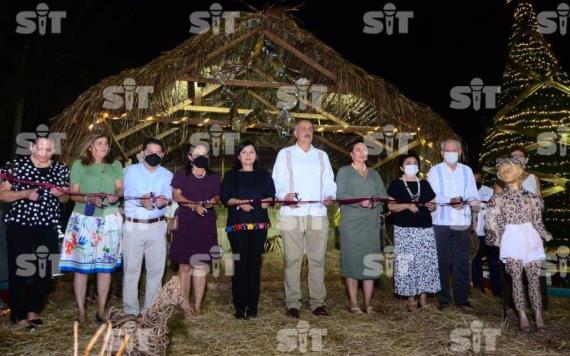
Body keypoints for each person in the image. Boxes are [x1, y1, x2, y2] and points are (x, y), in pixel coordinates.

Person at [2, 137, 70, 330]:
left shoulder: (61, 169)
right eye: (40, 149)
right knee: (19, 269)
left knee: (48, 268)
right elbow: (2, 193)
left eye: (49, 150)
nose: (44, 153)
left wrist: (61, 195)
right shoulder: (15, 166)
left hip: (48, 225)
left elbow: (66, 198)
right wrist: (23, 194)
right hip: (20, 224)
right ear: (32, 147)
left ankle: (33, 310)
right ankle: (18, 316)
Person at [272, 119, 336, 318]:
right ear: (295, 133)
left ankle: (318, 302)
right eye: (303, 128)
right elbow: (277, 181)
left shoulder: (321, 155)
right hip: (291, 214)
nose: (307, 131)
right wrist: (284, 196)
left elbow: (329, 181)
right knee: (292, 259)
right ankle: (293, 303)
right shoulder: (285, 154)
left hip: (317, 213)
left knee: (317, 259)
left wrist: (330, 196)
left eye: (310, 129)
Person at [58, 134, 124, 324]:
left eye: (106, 144)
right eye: (99, 143)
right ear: (90, 147)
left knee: (105, 267)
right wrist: (89, 199)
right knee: (81, 267)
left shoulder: (116, 165)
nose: (104, 146)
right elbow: (73, 194)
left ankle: (101, 310)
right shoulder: (79, 165)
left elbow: (120, 188)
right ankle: (81, 311)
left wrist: (116, 195)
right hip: (84, 219)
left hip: (109, 219)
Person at [486, 156, 551, 331]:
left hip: (531, 237)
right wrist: (496, 239)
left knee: (534, 280)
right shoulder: (497, 199)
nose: (505, 172)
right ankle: (522, 315)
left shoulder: (533, 199)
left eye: (509, 169)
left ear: (519, 171)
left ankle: (538, 314)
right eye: (502, 170)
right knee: (515, 279)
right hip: (511, 238)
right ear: (499, 175)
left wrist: (545, 235)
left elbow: (537, 221)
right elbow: (493, 221)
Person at [220, 141, 275, 319]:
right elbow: (225, 198)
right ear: (238, 156)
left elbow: (271, 196)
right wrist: (239, 203)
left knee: (254, 265)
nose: (248, 155)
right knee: (239, 264)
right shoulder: (231, 175)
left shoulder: (264, 175)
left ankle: (252, 308)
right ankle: (239, 307)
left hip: (259, 225)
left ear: (256, 155)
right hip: (237, 225)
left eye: (251, 152)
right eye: (244, 152)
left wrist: (268, 201)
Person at [427, 139, 480, 311]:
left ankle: (462, 299)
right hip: (440, 221)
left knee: (461, 261)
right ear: (441, 152)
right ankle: (443, 299)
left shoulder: (467, 171)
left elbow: (472, 192)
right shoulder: (434, 171)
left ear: (459, 151)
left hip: (461, 222)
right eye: (447, 150)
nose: (451, 153)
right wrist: (450, 201)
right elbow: (433, 194)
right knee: (442, 261)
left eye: (454, 150)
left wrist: (469, 201)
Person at [122, 138, 173, 317]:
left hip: (158, 227)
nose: (154, 155)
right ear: (142, 153)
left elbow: (168, 193)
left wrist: (162, 200)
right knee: (131, 269)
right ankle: (130, 311)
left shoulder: (168, 175)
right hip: (133, 226)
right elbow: (129, 191)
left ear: (162, 155)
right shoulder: (130, 170)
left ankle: (150, 310)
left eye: (158, 152)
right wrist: (142, 200)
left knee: (156, 270)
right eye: (150, 152)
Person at [169, 143, 220, 317]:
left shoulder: (213, 176)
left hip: (206, 223)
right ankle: (185, 305)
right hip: (186, 222)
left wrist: (212, 200)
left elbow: (217, 195)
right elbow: (176, 195)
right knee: (185, 266)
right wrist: (194, 206)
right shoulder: (181, 174)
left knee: (200, 265)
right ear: (190, 157)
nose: (201, 157)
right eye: (197, 154)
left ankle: (198, 305)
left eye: (204, 154)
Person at [336, 141, 386, 314]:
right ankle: (354, 304)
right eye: (358, 150)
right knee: (352, 261)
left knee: (370, 261)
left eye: (364, 150)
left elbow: (383, 195)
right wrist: (359, 201)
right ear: (351, 154)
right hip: (351, 223)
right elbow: (340, 195)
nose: (362, 152)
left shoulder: (374, 173)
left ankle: (368, 304)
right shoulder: (344, 172)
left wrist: (376, 203)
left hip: (371, 223)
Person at [387, 153, 440, 311]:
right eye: (408, 162)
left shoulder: (424, 184)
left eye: (415, 162)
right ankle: (410, 298)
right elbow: (390, 206)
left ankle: (423, 299)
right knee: (407, 264)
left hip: (424, 229)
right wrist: (407, 206)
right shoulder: (396, 184)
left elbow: (434, 204)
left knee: (424, 262)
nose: (412, 165)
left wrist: (432, 206)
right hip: (404, 231)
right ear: (402, 167)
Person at [471, 170, 501, 296]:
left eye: (479, 179)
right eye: (474, 178)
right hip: (474, 234)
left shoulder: (489, 191)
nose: (476, 181)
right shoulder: (466, 192)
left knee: (493, 263)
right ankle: (479, 292)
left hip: (490, 233)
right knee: (476, 262)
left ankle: (497, 292)